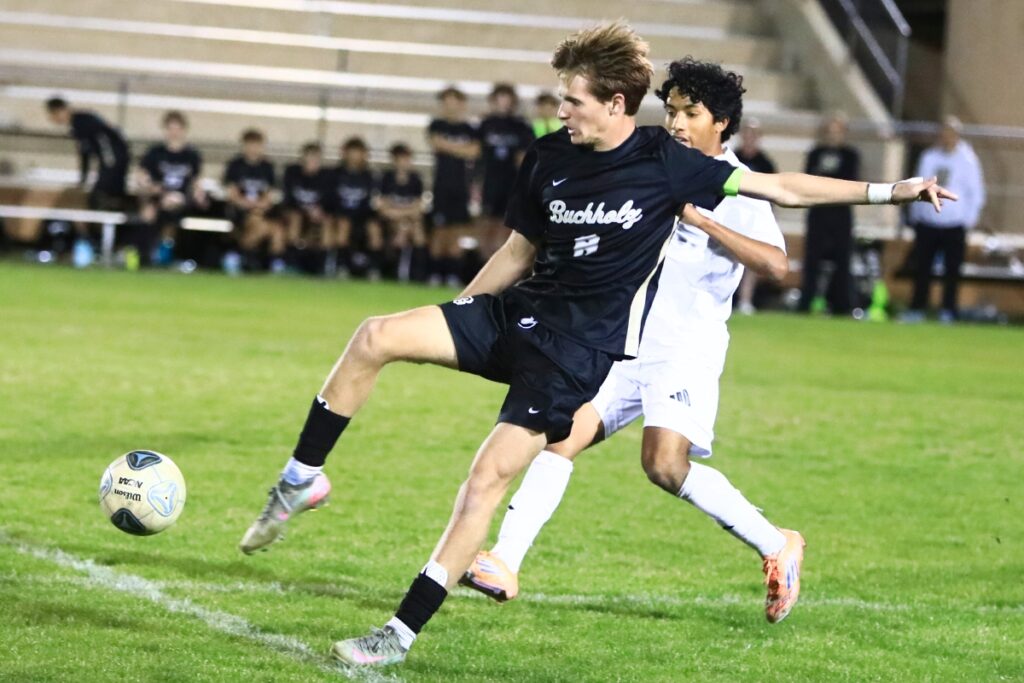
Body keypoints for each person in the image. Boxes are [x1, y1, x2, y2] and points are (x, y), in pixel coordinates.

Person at [237, 23, 953, 669]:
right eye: (562, 98)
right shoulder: (553, 155)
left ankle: (402, 631)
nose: (560, 110)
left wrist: (892, 190)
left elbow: (785, 199)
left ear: (615, 103)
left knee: (565, 471)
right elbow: (518, 250)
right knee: (382, 337)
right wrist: (460, 315)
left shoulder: (681, 169)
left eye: (571, 100)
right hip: (547, 323)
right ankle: (318, 485)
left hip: (610, 353)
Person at [460, 56, 800, 623]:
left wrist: (704, 221)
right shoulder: (655, 167)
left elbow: (777, 265)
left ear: (721, 122)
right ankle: (504, 561)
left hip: (684, 349)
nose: (677, 123)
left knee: (664, 465)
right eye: (672, 111)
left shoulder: (736, 185)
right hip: (618, 338)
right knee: (558, 437)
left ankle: (776, 543)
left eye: (691, 113)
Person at [902, 116, 986, 323]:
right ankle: (917, 308)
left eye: (950, 133)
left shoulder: (968, 159)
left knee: (952, 270)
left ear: (957, 135)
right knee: (922, 268)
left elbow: (976, 192)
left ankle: (948, 310)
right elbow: (917, 185)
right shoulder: (929, 157)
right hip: (928, 222)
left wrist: (968, 220)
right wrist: (915, 215)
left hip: (954, 224)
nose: (946, 137)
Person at [797, 113, 860, 315]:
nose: (833, 135)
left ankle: (842, 303)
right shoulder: (815, 153)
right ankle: (806, 301)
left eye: (837, 131)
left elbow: (850, 183)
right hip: (818, 212)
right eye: (830, 131)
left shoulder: (850, 155)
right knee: (812, 258)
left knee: (843, 257)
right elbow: (807, 181)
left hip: (841, 212)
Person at [137, 110, 206, 265]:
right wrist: (150, 187)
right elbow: (142, 177)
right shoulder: (155, 153)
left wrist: (198, 194)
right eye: (170, 128)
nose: (174, 132)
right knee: (148, 213)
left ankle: (168, 250)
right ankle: (145, 254)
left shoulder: (191, 155)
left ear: (183, 130)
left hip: (182, 199)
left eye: (177, 128)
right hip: (158, 196)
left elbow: (196, 182)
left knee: (173, 203)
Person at [427, 86, 481, 286]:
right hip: (441, 186)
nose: (449, 106)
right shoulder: (436, 124)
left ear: (461, 104)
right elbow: (436, 143)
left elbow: (474, 152)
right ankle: (434, 273)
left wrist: (448, 146)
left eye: (453, 101)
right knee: (439, 230)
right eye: (446, 102)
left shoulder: (469, 129)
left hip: (461, 187)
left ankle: (452, 273)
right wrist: (461, 148)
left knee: (456, 232)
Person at [478, 84, 535, 258]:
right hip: (490, 182)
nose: (503, 102)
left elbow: (525, 156)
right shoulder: (486, 124)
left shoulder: (520, 126)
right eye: (500, 98)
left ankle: (502, 264)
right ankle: (483, 264)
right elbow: (476, 153)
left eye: (506, 98)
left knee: (507, 227)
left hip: (512, 183)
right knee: (487, 224)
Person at [44, 97, 130, 211]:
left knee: (101, 196)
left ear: (61, 111)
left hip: (113, 158)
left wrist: (84, 179)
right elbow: (86, 152)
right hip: (114, 157)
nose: (53, 119)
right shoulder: (80, 121)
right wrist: (83, 179)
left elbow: (93, 148)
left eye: (53, 115)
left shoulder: (80, 123)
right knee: (107, 194)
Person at [734, 117, 778, 314]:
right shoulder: (733, 157)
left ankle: (745, 299)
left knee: (750, 259)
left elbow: (772, 191)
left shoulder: (765, 163)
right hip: (732, 213)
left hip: (752, 216)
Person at [223, 129, 281, 272]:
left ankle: (273, 263)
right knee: (261, 225)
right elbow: (232, 194)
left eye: (257, 145)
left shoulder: (267, 167)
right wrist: (246, 204)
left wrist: (260, 205)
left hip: (260, 212)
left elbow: (269, 195)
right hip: (240, 211)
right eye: (250, 145)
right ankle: (241, 256)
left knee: (277, 231)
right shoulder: (235, 165)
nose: (253, 149)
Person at [327, 137, 383, 279]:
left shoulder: (370, 176)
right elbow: (330, 200)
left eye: (357, 153)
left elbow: (374, 202)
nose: (354, 157)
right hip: (341, 215)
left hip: (363, 216)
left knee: (374, 228)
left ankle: (374, 268)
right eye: (352, 153)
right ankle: (342, 266)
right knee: (344, 224)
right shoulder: (335, 174)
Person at [377, 143, 427, 282]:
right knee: (398, 230)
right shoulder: (386, 178)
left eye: (408, 158)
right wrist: (402, 216)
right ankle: (390, 272)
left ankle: (418, 275)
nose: (405, 162)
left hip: (409, 220)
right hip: (390, 222)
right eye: (402, 158)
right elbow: (384, 209)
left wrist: (402, 217)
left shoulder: (416, 180)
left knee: (418, 233)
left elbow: (418, 209)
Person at [281, 142, 332, 274]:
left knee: (327, 222)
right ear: (303, 158)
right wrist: (307, 210)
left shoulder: (326, 176)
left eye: (316, 159)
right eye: (310, 158)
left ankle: (322, 265)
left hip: (317, 216)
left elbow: (329, 201)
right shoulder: (292, 173)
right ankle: (291, 263)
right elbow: (288, 200)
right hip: (296, 213)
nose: (312, 162)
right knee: (295, 218)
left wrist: (319, 211)